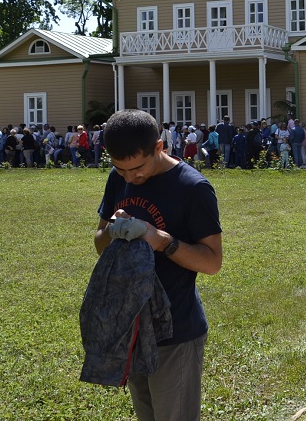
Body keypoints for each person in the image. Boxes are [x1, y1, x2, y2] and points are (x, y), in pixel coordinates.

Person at [93, 109, 223, 421]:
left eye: (137, 169)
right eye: (120, 169)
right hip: (133, 327)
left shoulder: (192, 188)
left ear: (159, 148)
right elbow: (99, 243)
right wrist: (113, 232)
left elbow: (212, 262)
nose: (130, 178)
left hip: (176, 332)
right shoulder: (118, 179)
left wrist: (162, 241)